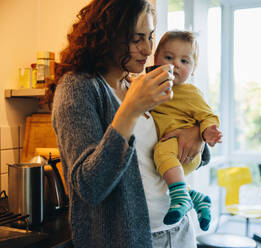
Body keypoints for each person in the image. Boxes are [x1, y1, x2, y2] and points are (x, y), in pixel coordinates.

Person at [50, 0, 209, 247]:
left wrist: (197, 133)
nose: (147, 50)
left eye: (150, 36)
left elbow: (173, 139)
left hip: (180, 231)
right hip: (133, 239)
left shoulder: (136, 82)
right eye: (136, 39)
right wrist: (131, 110)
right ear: (107, 37)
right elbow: (89, 186)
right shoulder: (77, 88)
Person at [149, 31, 222, 231]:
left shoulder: (190, 93)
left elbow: (208, 116)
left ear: (193, 68)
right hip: (171, 153)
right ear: (156, 59)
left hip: (179, 148)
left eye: (184, 60)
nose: (176, 65)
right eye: (169, 57)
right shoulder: (149, 86)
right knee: (159, 170)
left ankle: (181, 199)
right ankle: (198, 199)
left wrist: (207, 132)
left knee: (161, 153)